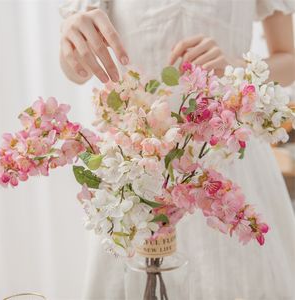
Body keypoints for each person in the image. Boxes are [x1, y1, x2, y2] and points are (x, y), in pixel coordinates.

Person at [59, 1, 295, 299]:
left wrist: (236, 67)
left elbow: (289, 59)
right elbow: (76, 71)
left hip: (232, 167)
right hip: (137, 173)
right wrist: (70, 37)